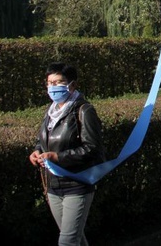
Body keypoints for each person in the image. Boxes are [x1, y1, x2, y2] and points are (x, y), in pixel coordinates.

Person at [29, 63, 105, 246]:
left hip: (77, 184)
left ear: (72, 84)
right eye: (50, 83)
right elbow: (43, 140)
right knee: (75, 238)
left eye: (59, 82)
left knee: (67, 241)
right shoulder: (51, 111)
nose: (53, 87)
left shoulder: (84, 110)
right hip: (54, 186)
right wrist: (37, 150)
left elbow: (92, 148)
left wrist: (57, 157)